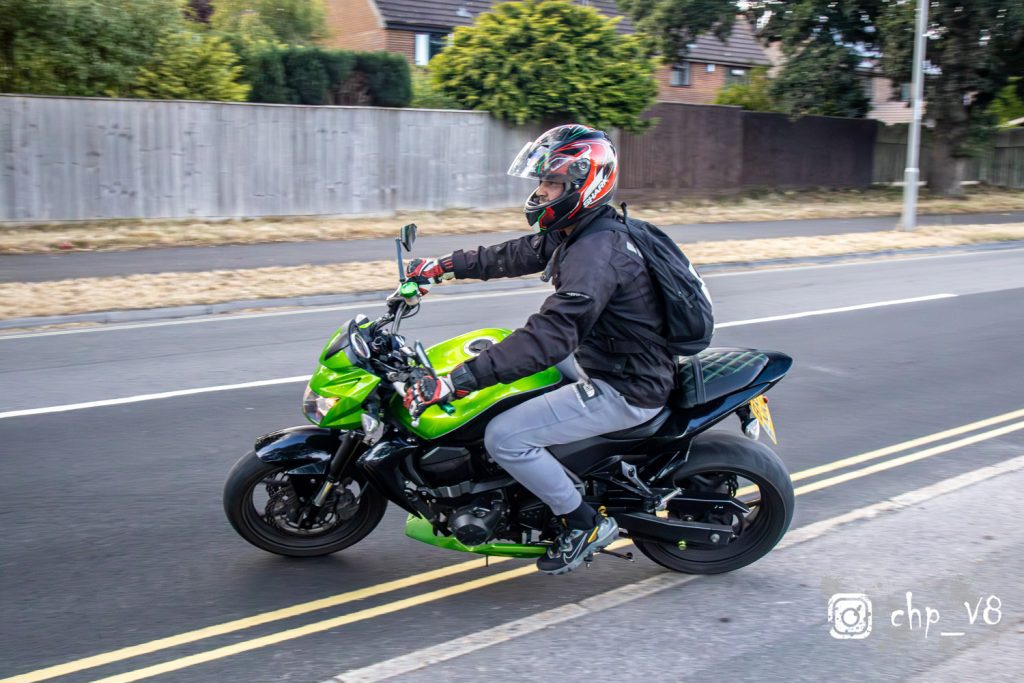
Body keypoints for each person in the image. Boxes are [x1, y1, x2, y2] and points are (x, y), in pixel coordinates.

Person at [402, 124, 675, 575]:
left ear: (586, 184)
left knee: (505, 436)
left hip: (626, 384)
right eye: (542, 181)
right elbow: (516, 254)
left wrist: (456, 381)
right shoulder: (581, 230)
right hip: (605, 355)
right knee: (508, 361)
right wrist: (443, 267)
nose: (541, 192)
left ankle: (583, 523)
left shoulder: (595, 253)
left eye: (552, 183)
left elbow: (550, 337)